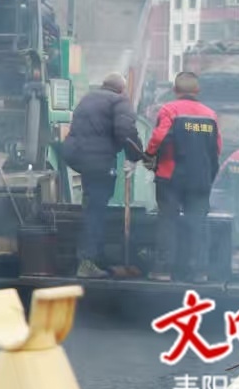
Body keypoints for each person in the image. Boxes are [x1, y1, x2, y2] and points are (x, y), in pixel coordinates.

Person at [61, 74, 146, 278]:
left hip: (79, 157)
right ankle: (87, 261)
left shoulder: (88, 98)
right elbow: (125, 130)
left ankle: (95, 257)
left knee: (92, 205)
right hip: (99, 161)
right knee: (96, 210)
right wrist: (134, 156)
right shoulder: (119, 101)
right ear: (121, 89)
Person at [145, 71, 223, 283]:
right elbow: (216, 148)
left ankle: (163, 270)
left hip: (171, 176)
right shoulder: (210, 114)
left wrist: (149, 155)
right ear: (197, 90)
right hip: (200, 178)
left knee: (167, 221)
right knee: (198, 223)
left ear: (175, 90)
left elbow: (159, 137)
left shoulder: (169, 110)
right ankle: (198, 271)